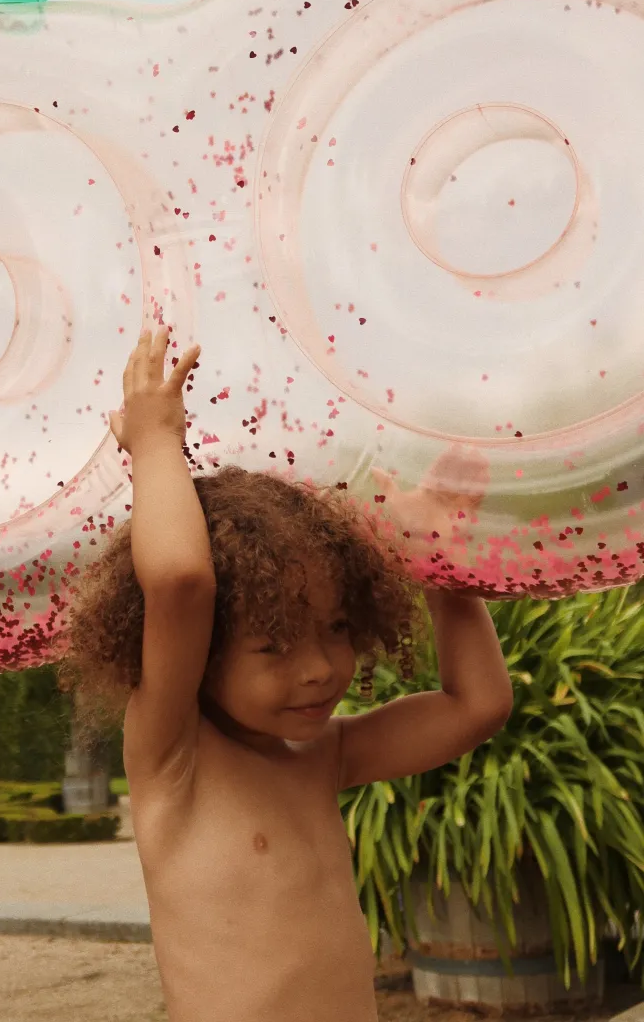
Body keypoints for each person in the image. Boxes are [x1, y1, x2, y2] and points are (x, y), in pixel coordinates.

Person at [56, 325, 513, 1022]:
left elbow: (476, 706)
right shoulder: (173, 757)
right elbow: (181, 580)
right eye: (273, 646)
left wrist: (440, 571)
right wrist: (154, 445)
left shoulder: (324, 755)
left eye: (337, 629)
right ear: (201, 653)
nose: (319, 669)